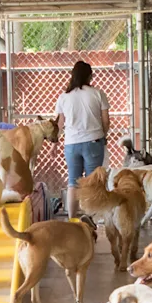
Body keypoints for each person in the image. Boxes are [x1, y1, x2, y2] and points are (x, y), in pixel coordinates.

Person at [54, 60, 109, 215]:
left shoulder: (64, 97)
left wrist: (54, 144)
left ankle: (72, 219)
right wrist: (103, 136)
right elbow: (106, 121)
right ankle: (89, 219)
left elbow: (59, 124)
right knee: (92, 182)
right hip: (94, 141)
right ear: (89, 76)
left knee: (73, 182)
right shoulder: (98, 93)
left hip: (71, 144)